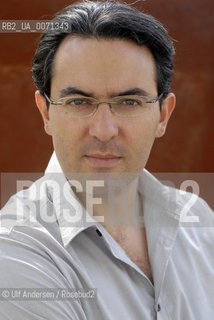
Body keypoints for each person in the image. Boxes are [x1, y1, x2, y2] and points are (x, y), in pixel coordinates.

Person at [0, 1, 213, 319]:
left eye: (129, 101)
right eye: (78, 101)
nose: (103, 130)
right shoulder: (14, 250)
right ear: (46, 112)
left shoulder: (198, 220)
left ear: (163, 115)